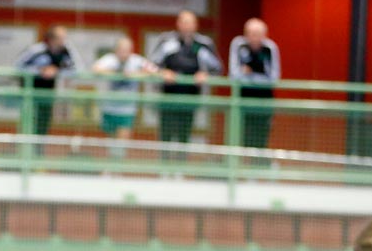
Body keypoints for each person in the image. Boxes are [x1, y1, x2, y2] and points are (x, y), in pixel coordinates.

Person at [150, 10, 223, 150]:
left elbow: (217, 69)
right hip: (168, 95)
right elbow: (151, 65)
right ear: (178, 23)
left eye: (190, 22)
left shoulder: (204, 43)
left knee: (184, 133)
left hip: (191, 95)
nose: (186, 26)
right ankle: (164, 169)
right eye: (183, 22)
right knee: (166, 132)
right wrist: (162, 72)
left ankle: (180, 168)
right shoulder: (166, 40)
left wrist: (205, 75)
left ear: (196, 25)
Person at [14, 25, 85, 151]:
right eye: (62, 38)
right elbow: (17, 66)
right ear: (52, 39)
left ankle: (38, 154)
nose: (65, 41)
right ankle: (22, 155)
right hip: (29, 94)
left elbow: (78, 69)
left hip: (47, 95)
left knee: (42, 125)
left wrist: (57, 70)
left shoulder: (66, 52)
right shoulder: (36, 50)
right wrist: (39, 70)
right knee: (27, 125)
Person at [90, 36, 158, 157]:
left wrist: (134, 75)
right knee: (111, 141)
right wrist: (116, 74)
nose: (124, 53)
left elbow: (154, 71)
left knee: (122, 142)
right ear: (116, 50)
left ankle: (117, 168)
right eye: (121, 49)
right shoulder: (110, 59)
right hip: (109, 108)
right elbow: (95, 69)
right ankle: (110, 169)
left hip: (127, 110)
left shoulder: (136, 61)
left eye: (127, 50)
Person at [229, 18, 281, 150]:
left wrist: (249, 74)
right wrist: (254, 75)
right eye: (250, 33)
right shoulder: (238, 44)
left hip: (264, 99)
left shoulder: (270, 48)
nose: (253, 37)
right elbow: (233, 75)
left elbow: (274, 78)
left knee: (261, 135)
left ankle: (259, 165)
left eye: (257, 34)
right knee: (241, 135)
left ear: (264, 35)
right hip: (242, 98)